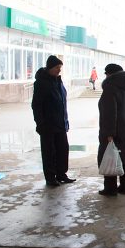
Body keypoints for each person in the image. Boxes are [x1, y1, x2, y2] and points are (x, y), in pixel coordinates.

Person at [31, 55, 76, 187]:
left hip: (61, 123)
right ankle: (50, 178)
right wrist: (40, 123)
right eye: (57, 67)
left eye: (60, 67)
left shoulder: (58, 81)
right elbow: (36, 105)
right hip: (48, 125)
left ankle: (61, 174)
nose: (59, 70)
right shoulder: (41, 83)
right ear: (50, 68)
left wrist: (65, 121)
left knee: (62, 150)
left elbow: (62, 102)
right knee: (49, 152)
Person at [97, 63, 125, 196]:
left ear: (109, 75)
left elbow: (109, 112)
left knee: (110, 156)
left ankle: (110, 188)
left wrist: (109, 133)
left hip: (114, 128)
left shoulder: (110, 88)